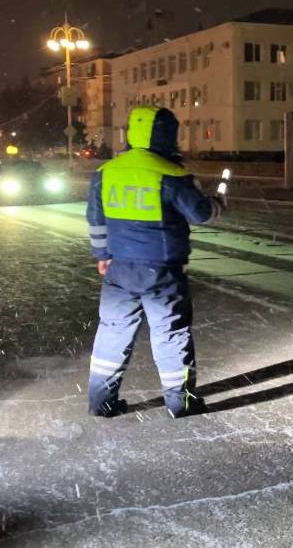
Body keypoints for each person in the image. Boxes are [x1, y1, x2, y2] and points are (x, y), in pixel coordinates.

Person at [86, 106, 224, 418]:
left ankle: (100, 401)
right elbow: (200, 214)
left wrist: (102, 255)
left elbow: (95, 220)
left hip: (119, 269)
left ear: (131, 134)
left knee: (113, 333)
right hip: (162, 271)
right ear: (167, 135)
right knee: (171, 334)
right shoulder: (171, 175)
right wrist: (217, 203)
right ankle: (179, 401)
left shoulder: (106, 172)